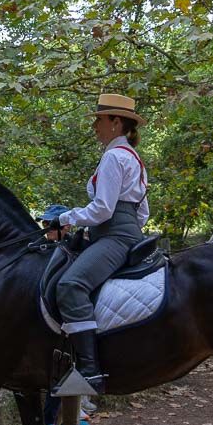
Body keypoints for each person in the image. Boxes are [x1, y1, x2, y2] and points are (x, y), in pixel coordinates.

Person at [49, 93, 150, 397]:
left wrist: (64, 218)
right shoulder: (133, 158)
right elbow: (142, 213)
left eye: (99, 119)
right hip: (126, 233)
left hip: (114, 237)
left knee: (70, 285)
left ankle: (90, 372)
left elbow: (103, 209)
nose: (95, 126)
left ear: (115, 122)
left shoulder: (113, 157)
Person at [38, 204, 92, 425]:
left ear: (65, 227)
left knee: (66, 372)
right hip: (51, 325)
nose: (46, 230)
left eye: (50, 225)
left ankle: (66, 423)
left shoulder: (69, 247)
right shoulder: (49, 250)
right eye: (45, 225)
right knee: (56, 375)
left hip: (66, 325)